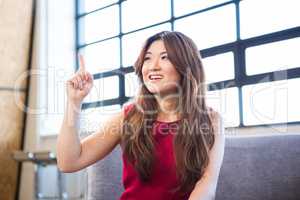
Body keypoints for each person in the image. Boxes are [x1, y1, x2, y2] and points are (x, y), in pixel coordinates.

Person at [57, 31, 225, 200]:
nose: (153, 66)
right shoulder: (127, 117)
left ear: (187, 66)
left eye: (165, 57)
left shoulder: (211, 120)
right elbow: (68, 162)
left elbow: (207, 184)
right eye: (147, 58)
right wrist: (74, 102)